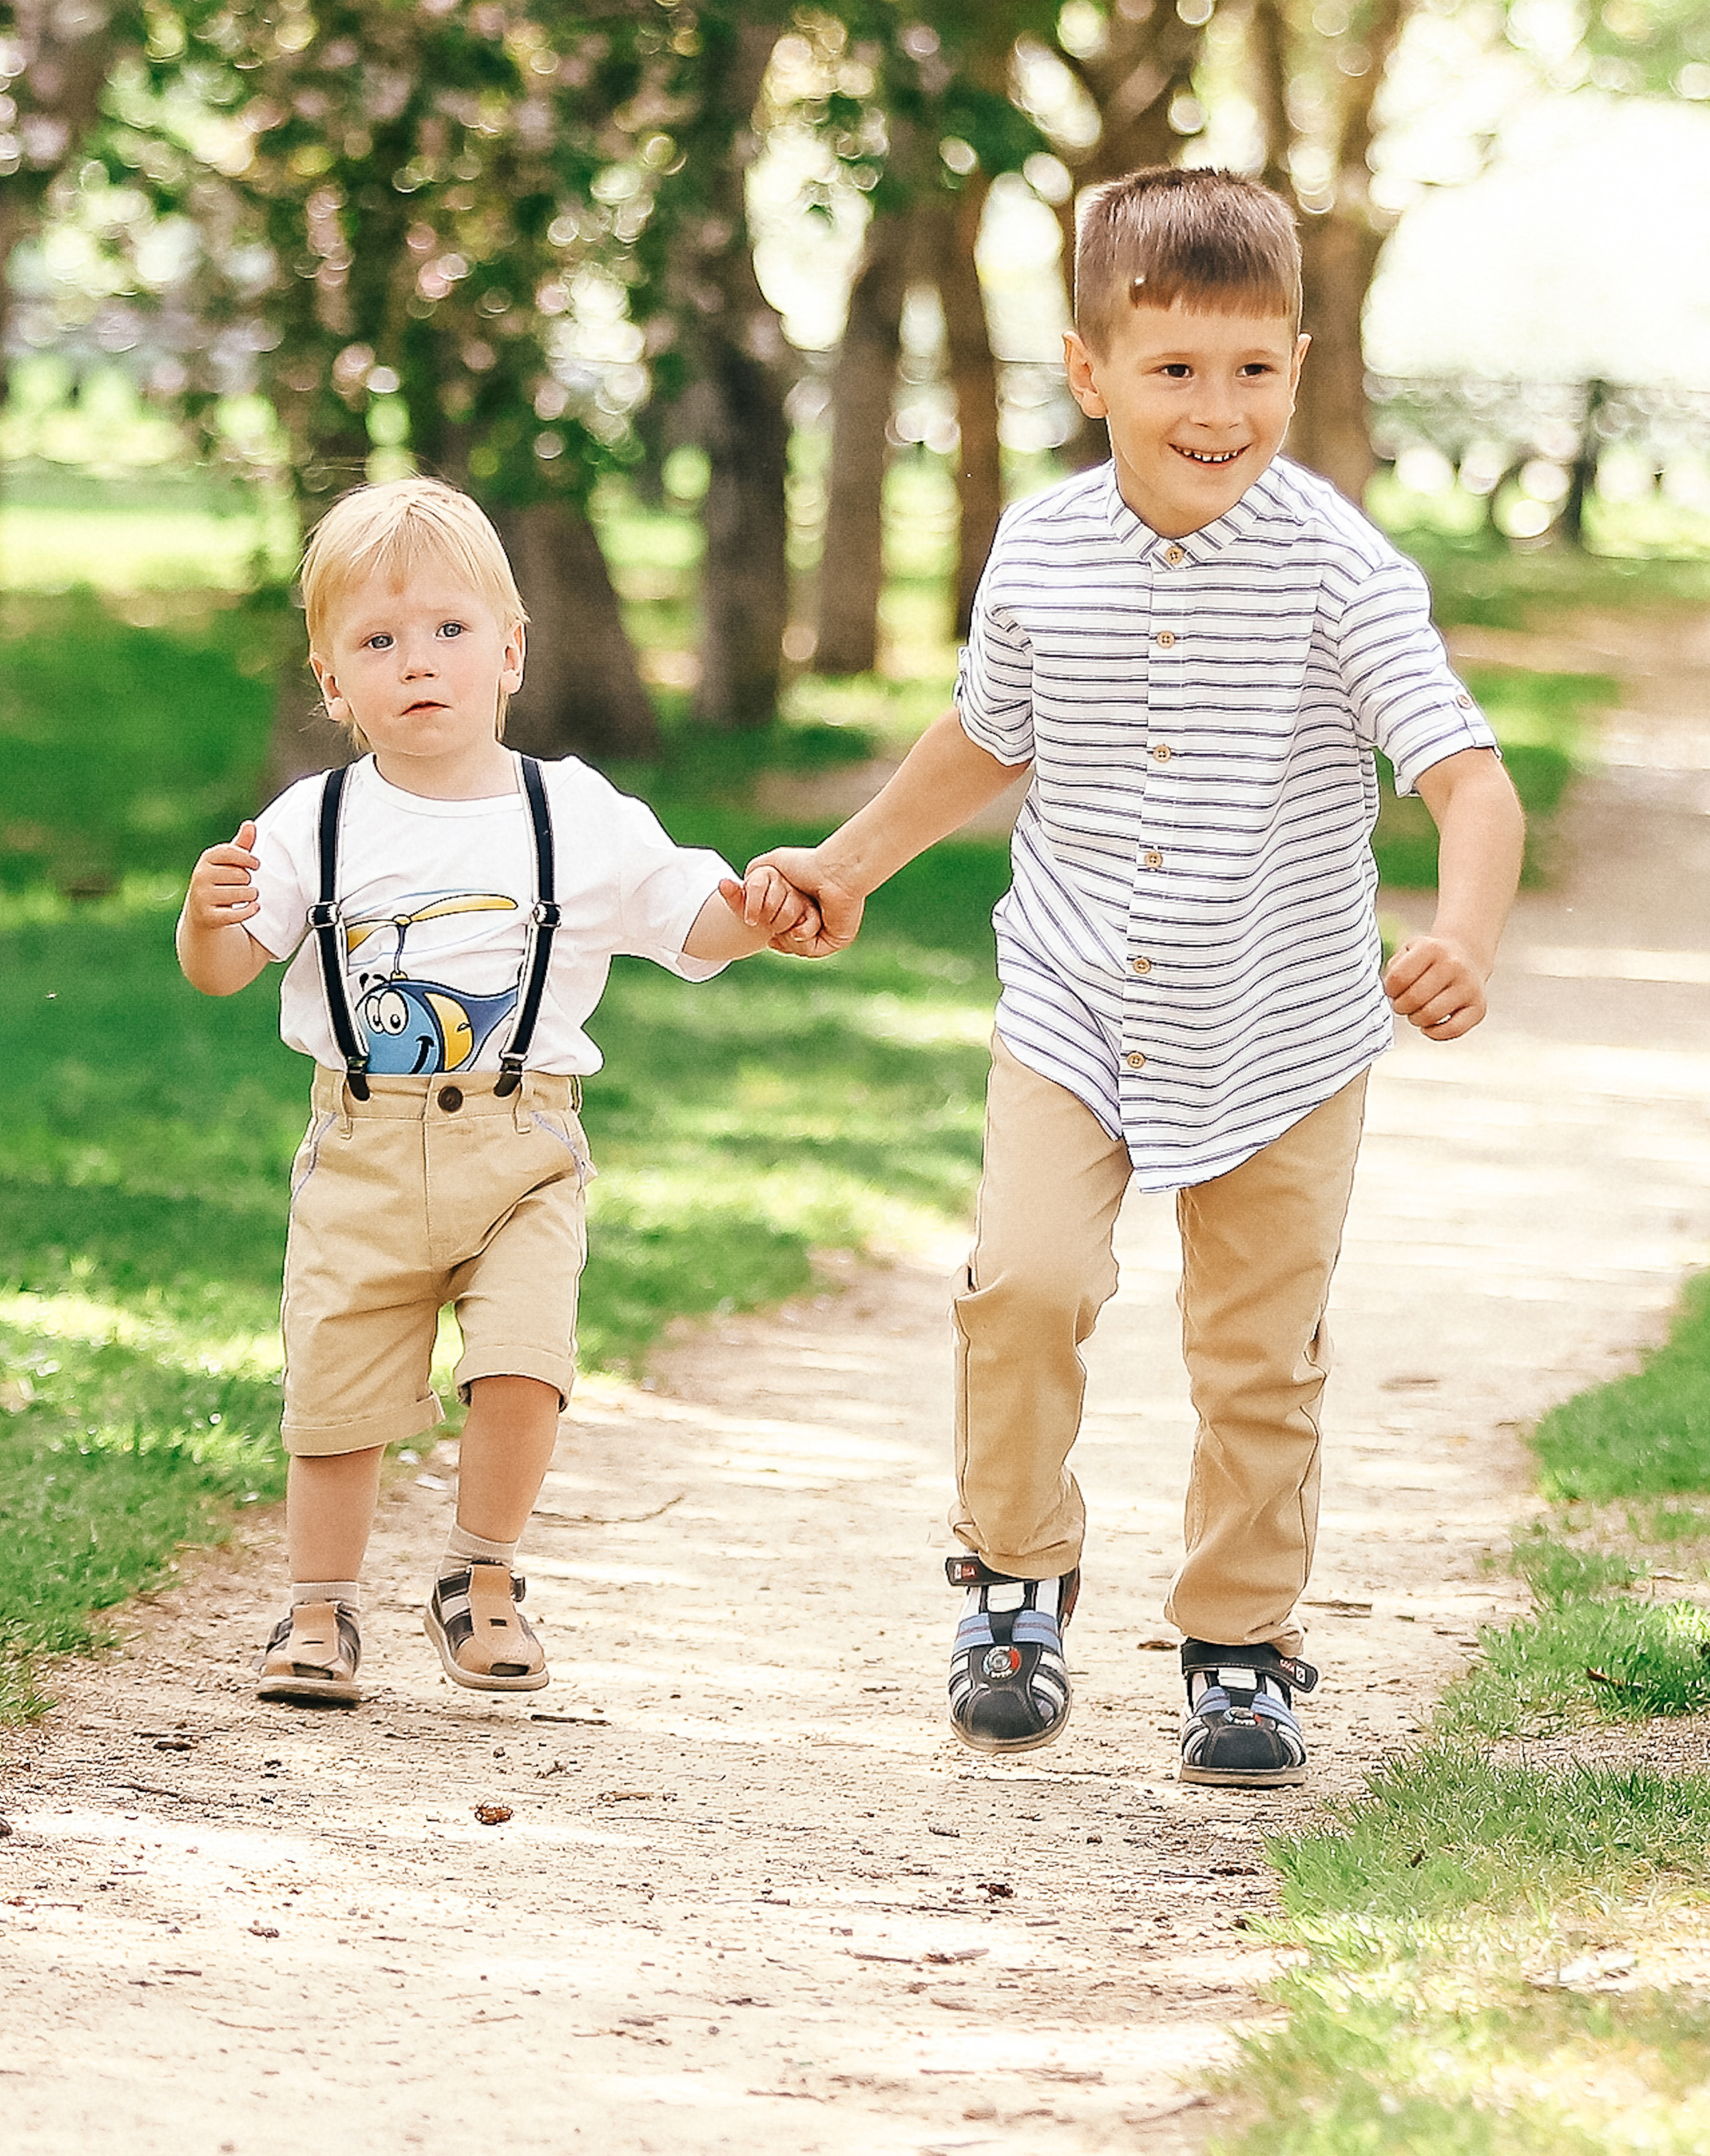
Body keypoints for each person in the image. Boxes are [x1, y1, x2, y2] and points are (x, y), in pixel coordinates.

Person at [756, 166, 1525, 1787]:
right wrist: (845, 862)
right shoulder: (1037, 553)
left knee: (1256, 1349)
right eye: (1173, 367)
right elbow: (983, 737)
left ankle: (1241, 1644)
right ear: (1090, 370)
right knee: (1025, 1282)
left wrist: (1460, 928)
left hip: (1283, 1019)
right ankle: (1013, 1583)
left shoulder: (1339, 571)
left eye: (1252, 367)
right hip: (1073, 994)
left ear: (1295, 367)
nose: (1215, 406)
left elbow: (1464, 775)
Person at [178, 475, 814, 1709]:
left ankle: (482, 1575)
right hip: (360, 1148)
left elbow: (690, 914)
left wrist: (758, 911)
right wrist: (205, 923)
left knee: (523, 1363)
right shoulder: (312, 821)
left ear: (513, 651)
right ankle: (319, 1609)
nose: (419, 662)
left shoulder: (568, 810)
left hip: (524, 1146)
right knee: (337, 1395)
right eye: (379, 641)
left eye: (450, 630)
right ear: (333, 681)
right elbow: (222, 972)